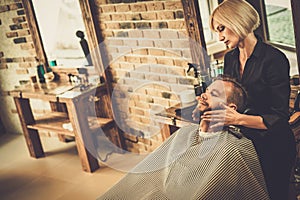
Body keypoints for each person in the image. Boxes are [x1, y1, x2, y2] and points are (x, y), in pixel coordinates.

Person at [98, 77, 270, 200]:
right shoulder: (185, 133)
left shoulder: (232, 148)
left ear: (230, 108)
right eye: (207, 91)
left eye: (214, 93)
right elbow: (149, 173)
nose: (203, 95)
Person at [208, 0, 296, 199]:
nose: (220, 37)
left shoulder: (274, 59)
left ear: (237, 21)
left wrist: (236, 119)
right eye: (216, 31)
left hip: (274, 146)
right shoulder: (230, 59)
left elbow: (279, 117)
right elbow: (231, 97)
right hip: (245, 144)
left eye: (222, 29)